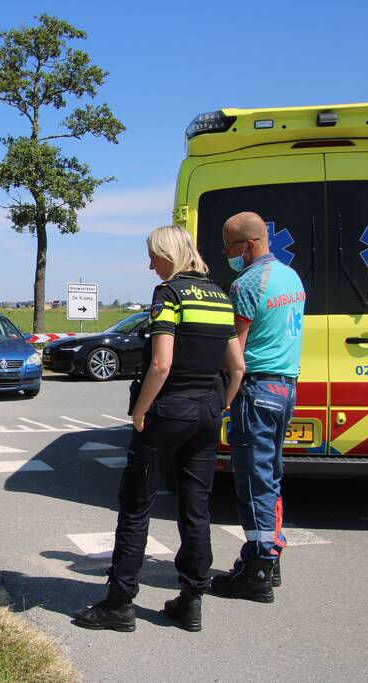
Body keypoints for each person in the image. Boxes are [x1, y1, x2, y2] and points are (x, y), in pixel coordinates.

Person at [74, 226, 244, 633]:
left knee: (136, 506)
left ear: (170, 255)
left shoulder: (169, 295)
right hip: (207, 410)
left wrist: (141, 411)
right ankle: (191, 599)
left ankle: (119, 603)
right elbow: (236, 366)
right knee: (195, 508)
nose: (150, 264)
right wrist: (222, 403)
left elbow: (161, 364)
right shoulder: (221, 296)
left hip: (168, 409)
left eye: (154, 256)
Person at [211, 211, 306, 603]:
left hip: (256, 388)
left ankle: (258, 569)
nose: (226, 252)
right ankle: (271, 554)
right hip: (286, 387)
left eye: (229, 245)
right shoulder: (291, 276)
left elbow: (236, 347)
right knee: (271, 476)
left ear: (248, 244)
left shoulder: (247, 283)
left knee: (252, 482)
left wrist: (220, 392)